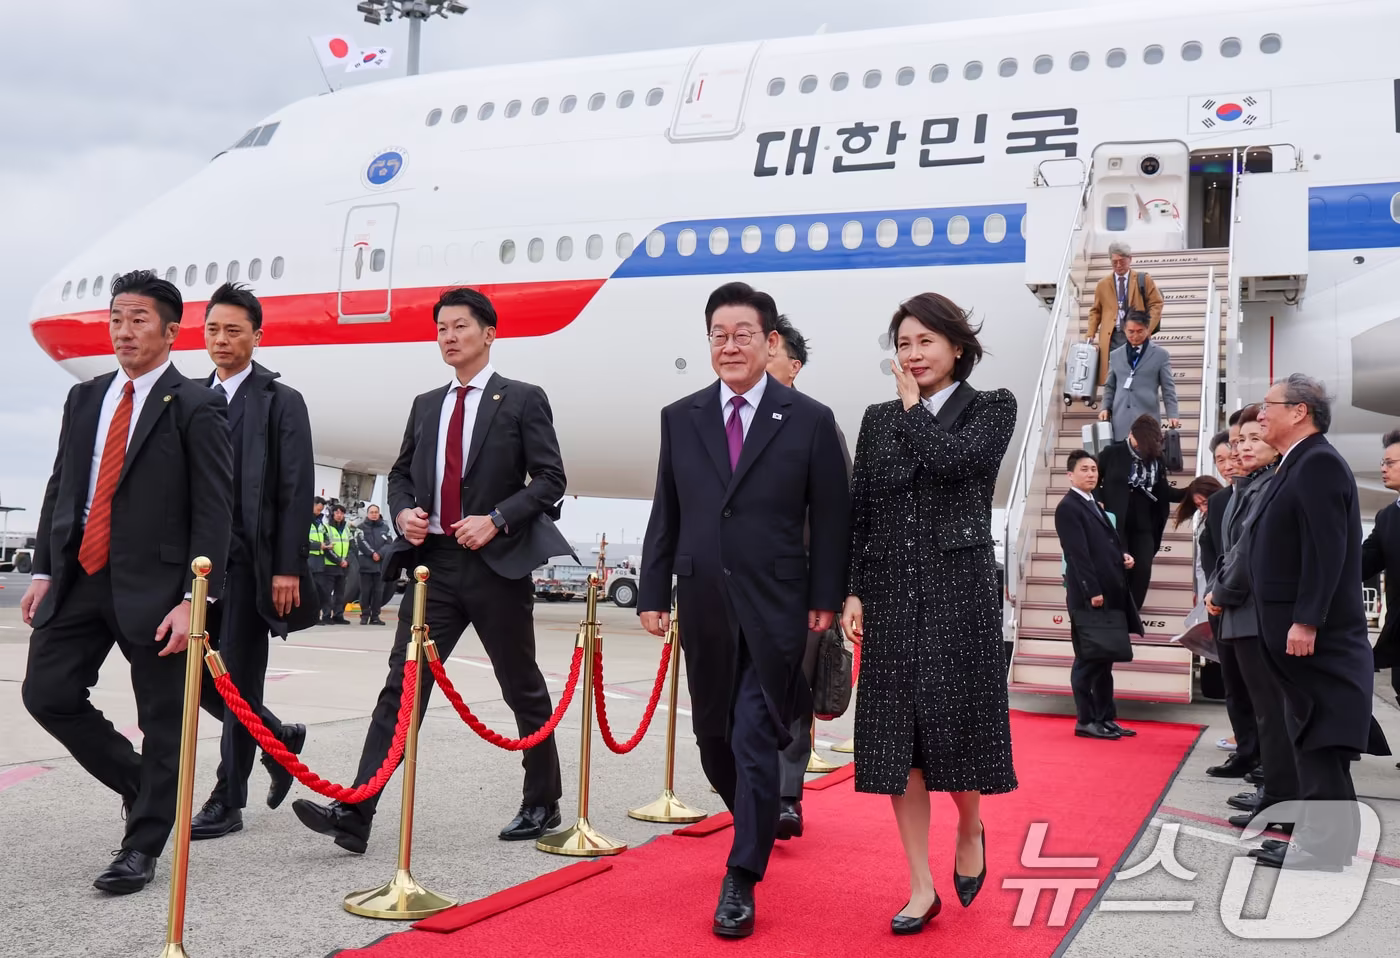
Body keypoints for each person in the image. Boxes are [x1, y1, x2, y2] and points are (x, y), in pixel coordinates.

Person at [292, 287, 573, 852]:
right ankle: (357, 812)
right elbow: (400, 474)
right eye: (442, 327)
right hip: (434, 568)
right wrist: (402, 512)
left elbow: (550, 480)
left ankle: (541, 801)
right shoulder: (426, 405)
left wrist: (496, 518)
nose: (449, 336)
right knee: (402, 688)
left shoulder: (520, 399)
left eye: (461, 326)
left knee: (521, 686)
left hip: (495, 565)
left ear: (489, 334)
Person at [639, 282, 850, 939]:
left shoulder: (807, 419)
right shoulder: (682, 417)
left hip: (779, 606)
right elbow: (665, 512)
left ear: (770, 342)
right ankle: (754, 815)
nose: (730, 346)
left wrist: (825, 598)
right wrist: (651, 592)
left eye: (744, 335)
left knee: (757, 734)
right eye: (719, 336)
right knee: (714, 741)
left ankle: (742, 873)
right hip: (702, 601)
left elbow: (835, 519)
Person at [19, 269, 233, 893]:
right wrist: (43, 568)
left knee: (165, 717)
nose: (124, 331)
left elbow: (215, 508)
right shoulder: (86, 398)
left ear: (170, 332)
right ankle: (143, 786)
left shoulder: (196, 403)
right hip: (79, 575)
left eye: (138, 320)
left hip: (159, 588)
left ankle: (142, 845)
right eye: (117, 319)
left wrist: (196, 599)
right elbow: (63, 486)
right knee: (47, 694)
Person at [842, 293, 1015, 935]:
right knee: (897, 744)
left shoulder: (991, 407)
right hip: (888, 595)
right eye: (904, 344)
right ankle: (921, 885)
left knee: (955, 728)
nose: (912, 356)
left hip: (959, 591)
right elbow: (863, 511)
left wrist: (914, 412)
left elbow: (958, 465)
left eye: (925, 343)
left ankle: (970, 824)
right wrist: (854, 589)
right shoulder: (875, 417)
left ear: (957, 349)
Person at [1244, 374, 1383, 870]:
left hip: (1314, 636)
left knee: (1318, 734)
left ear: (1299, 411)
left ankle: (1324, 848)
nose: (1260, 415)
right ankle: (1325, 842)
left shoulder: (1318, 462)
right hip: (1298, 632)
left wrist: (1307, 620)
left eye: (1268, 406)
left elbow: (1328, 551)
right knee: (1311, 732)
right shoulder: (1298, 463)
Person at [191, 282, 313, 838]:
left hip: (249, 565)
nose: (221, 339)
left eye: (234, 330)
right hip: (194, 567)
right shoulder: (190, 397)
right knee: (191, 678)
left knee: (237, 678)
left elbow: (295, 487)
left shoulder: (279, 401)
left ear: (257, 337)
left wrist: (287, 566)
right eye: (213, 328)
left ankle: (228, 798)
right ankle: (278, 737)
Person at [764, 316, 853, 841]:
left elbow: (836, 511)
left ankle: (786, 797)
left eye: (771, 350)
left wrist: (833, 590)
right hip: (739, 586)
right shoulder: (724, 418)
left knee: (793, 695)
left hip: (798, 587)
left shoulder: (817, 424)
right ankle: (752, 788)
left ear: (793, 367)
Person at [1204, 406, 1298, 829]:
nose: (1241, 449)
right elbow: (1227, 552)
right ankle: (1274, 793)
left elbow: (1247, 552)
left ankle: (1279, 796)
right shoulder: (1245, 488)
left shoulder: (1269, 487)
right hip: (1240, 610)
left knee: (1273, 712)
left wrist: (1221, 592)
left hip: (1255, 609)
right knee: (1263, 710)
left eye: (1251, 441)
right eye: (1237, 442)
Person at [1055, 449, 1142, 741]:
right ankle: (1086, 720)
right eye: (1084, 469)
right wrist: (1093, 591)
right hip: (1089, 596)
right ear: (1070, 475)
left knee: (1105, 660)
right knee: (1088, 659)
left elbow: (1104, 545)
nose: (1091, 473)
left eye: (1094, 469)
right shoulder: (1069, 507)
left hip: (1109, 592)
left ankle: (1106, 718)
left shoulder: (1093, 504)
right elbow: (1078, 555)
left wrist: (1123, 556)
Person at [1095, 415, 1188, 611]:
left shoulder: (1155, 458)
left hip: (1145, 522)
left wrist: (1191, 491)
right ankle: (1114, 612)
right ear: (1131, 434)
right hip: (1116, 521)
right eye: (1140, 441)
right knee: (1118, 566)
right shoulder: (1112, 453)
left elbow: (1163, 492)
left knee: (1142, 569)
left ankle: (1132, 613)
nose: (1142, 446)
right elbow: (1093, 478)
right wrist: (1098, 499)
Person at [1085, 242, 1163, 391]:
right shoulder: (1102, 284)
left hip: (1135, 335)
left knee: (1137, 375)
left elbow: (1157, 304)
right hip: (1112, 337)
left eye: (1122, 261)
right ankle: (1113, 410)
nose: (1118, 265)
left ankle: (1135, 408)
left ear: (1130, 259)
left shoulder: (1143, 279)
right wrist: (1090, 334)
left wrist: (1147, 329)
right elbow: (1096, 311)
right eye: (1114, 262)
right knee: (1113, 377)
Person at [1097, 313, 1181, 442]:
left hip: (1147, 419)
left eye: (1139, 331)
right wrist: (1105, 407)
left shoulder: (1161, 355)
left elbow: (1168, 388)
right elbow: (1110, 386)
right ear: (1124, 330)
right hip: (1120, 419)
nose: (1135, 336)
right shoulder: (1115, 355)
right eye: (1131, 331)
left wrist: (1172, 414)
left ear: (1147, 330)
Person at [1363, 429, 1399, 704]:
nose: (1382, 469)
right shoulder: (1387, 517)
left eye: (1390, 463)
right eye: (1382, 463)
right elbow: (1362, 563)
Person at [357, 504, 392, 625]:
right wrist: (372, 554)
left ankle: (375, 617)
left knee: (378, 593)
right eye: (371, 512)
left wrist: (380, 554)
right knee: (365, 592)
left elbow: (388, 544)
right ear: (367, 514)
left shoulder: (385, 528)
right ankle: (364, 616)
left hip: (380, 566)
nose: (374, 514)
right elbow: (361, 542)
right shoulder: (361, 527)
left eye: (376, 512)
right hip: (366, 566)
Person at [320, 504, 352, 625]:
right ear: (332, 514)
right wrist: (339, 561)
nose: (339, 515)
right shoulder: (327, 528)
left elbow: (352, 547)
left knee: (340, 593)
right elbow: (327, 549)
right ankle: (326, 615)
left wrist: (347, 560)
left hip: (344, 566)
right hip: (330, 565)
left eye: (341, 513)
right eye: (337, 513)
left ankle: (338, 615)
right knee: (327, 592)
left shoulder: (346, 529)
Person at [309, 497, 330, 621]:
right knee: (309, 590)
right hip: (309, 559)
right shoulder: (304, 521)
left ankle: (316, 616)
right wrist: (318, 545)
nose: (319, 512)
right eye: (317, 509)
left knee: (319, 590)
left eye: (321, 510)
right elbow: (300, 540)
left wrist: (327, 544)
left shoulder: (320, 523)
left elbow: (325, 536)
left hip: (319, 561)